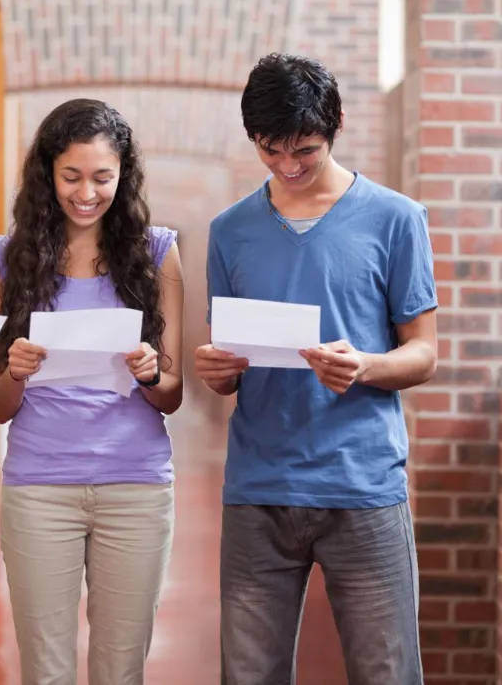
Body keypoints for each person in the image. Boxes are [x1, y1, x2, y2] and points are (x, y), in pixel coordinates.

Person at [196, 52, 438, 685]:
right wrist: (219, 370)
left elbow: (424, 353)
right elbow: (232, 366)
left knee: (387, 673)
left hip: (362, 485)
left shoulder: (396, 219)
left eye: (305, 148)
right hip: (258, 487)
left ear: (337, 125)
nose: (289, 166)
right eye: (270, 150)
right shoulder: (231, 231)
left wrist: (367, 365)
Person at [0, 98, 185, 685]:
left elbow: (172, 395)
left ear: (124, 176)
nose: (86, 192)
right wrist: (13, 370)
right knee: (45, 671)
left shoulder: (158, 256)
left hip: (136, 487)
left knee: (121, 671)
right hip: (40, 489)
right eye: (71, 176)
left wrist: (149, 371)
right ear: (47, 173)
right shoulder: (3, 259)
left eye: (103, 178)